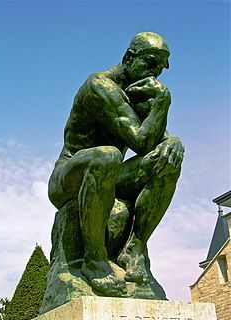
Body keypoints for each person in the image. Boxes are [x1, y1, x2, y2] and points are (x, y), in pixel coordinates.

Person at [48, 32, 184, 297]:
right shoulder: (100, 86)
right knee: (107, 155)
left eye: (161, 67)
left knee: (169, 157)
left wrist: (174, 142)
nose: (156, 72)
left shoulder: (143, 91)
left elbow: (157, 143)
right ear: (129, 57)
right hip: (68, 179)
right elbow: (140, 141)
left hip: (110, 175)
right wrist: (163, 101)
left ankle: (135, 248)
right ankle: (94, 260)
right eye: (151, 62)